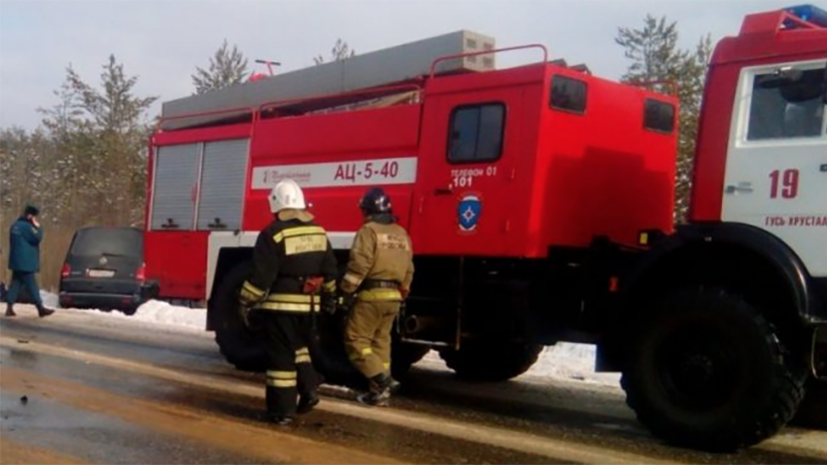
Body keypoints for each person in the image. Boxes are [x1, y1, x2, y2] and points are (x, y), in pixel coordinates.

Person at [237, 180, 337, 425]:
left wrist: (245, 300)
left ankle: (281, 412)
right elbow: (331, 271)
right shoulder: (319, 232)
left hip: (281, 308)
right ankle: (310, 387)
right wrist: (330, 299)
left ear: (277, 205)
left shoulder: (273, 234)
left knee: (280, 361)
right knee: (299, 348)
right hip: (309, 308)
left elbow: (263, 276)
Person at [340, 187, 414, 406]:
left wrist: (345, 291)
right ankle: (379, 394)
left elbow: (359, 265)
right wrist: (403, 290)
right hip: (393, 297)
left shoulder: (368, 231)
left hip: (371, 295)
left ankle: (382, 379)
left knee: (355, 339)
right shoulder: (401, 233)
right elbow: (409, 268)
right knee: (381, 343)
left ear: (367, 210)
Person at [6, 205, 53, 318]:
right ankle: (40, 307)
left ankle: (9, 307)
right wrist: (38, 227)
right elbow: (37, 238)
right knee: (32, 285)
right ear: (30, 216)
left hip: (16, 261)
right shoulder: (27, 227)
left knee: (16, 284)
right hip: (26, 262)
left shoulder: (15, 225)